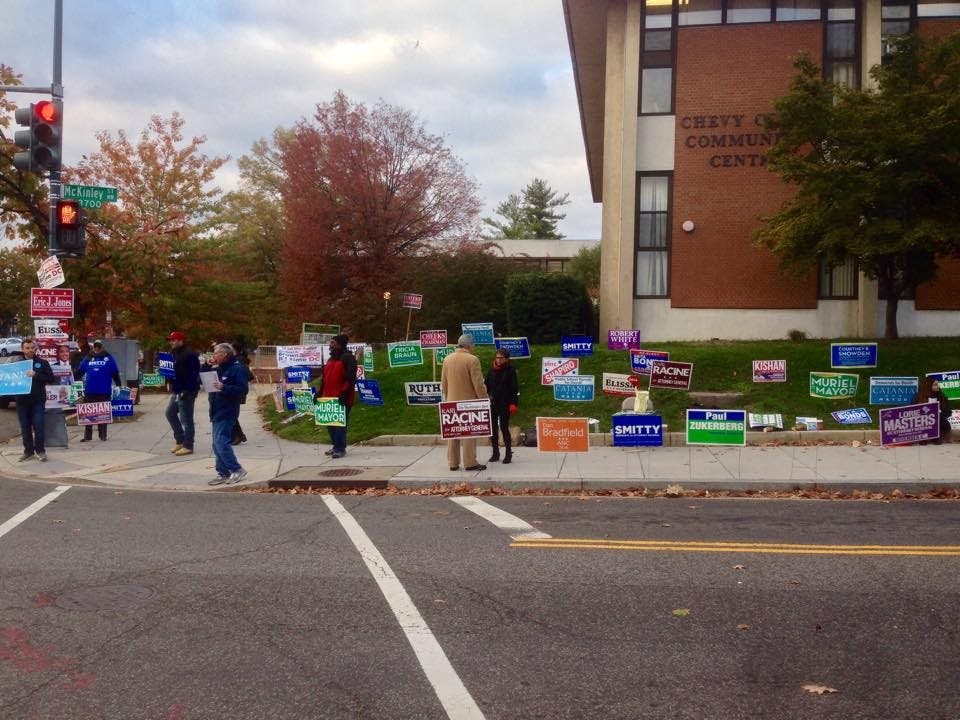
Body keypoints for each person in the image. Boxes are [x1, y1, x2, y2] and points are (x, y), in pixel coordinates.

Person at [440, 333, 488, 472]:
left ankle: (453, 463)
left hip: (451, 400)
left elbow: (444, 382)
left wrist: (449, 397)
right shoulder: (472, 360)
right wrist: (484, 399)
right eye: (473, 345)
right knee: (469, 433)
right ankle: (470, 462)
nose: (473, 347)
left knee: (453, 433)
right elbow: (478, 384)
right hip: (469, 402)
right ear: (468, 345)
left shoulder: (447, 359)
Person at [207, 343, 250, 486]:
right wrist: (207, 366)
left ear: (224, 354)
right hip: (216, 408)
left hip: (227, 410)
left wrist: (224, 387)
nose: (213, 356)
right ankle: (223, 472)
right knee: (216, 443)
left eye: (215, 353)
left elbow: (242, 390)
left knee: (221, 442)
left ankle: (236, 469)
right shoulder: (221, 368)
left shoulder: (237, 369)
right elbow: (204, 379)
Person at [15, 338, 55, 462]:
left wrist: (36, 375)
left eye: (32, 347)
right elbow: (9, 381)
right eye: (27, 348)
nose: (30, 350)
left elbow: (51, 378)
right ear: (22, 349)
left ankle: (40, 451)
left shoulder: (42, 363)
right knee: (25, 427)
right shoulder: (16, 364)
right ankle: (28, 451)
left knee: (39, 426)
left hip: (37, 401)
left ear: (35, 348)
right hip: (22, 402)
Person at [76, 339, 122, 441]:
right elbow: (80, 371)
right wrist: (73, 379)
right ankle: (87, 437)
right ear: (93, 347)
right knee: (88, 414)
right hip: (90, 390)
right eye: (95, 346)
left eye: (99, 346)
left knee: (103, 414)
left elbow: (115, 372)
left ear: (102, 347)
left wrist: (118, 384)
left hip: (104, 390)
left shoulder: (108, 358)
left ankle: (103, 435)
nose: (97, 348)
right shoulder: (88, 358)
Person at [320, 334, 357, 459]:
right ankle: (336, 445)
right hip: (328, 397)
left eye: (332, 343)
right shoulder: (331, 359)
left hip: (342, 397)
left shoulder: (348, 358)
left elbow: (350, 378)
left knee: (340, 424)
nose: (330, 345)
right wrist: (319, 393)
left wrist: (344, 393)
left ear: (340, 344)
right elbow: (324, 378)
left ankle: (340, 449)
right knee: (330, 423)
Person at [165, 331, 201, 456]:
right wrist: (168, 376)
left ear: (181, 341)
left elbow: (194, 374)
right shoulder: (173, 354)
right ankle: (180, 440)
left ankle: (188, 445)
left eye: (174, 340)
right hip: (177, 389)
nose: (171, 342)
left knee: (186, 419)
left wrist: (188, 390)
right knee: (170, 413)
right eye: (170, 340)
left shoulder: (189, 354)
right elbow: (173, 371)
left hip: (187, 391)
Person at [484, 348, 519, 464]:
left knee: (504, 428)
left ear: (506, 359)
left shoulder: (510, 371)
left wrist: (514, 403)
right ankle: (495, 452)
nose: (498, 360)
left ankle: (508, 453)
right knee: (493, 429)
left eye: (501, 358)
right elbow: (486, 386)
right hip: (493, 404)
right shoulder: (491, 370)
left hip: (505, 404)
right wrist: (485, 395)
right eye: (497, 358)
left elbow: (515, 389)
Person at [913, 376, 952, 445]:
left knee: (942, 422)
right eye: (935, 384)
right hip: (922, 422)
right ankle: (923, 437)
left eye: (937, 384)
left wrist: (938, 413)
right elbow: (912, 411)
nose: (938, 386)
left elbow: (948, 412)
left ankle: (936, 437)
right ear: (928, 385)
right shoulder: (919, 396)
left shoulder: (942, 396)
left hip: (939, 421)